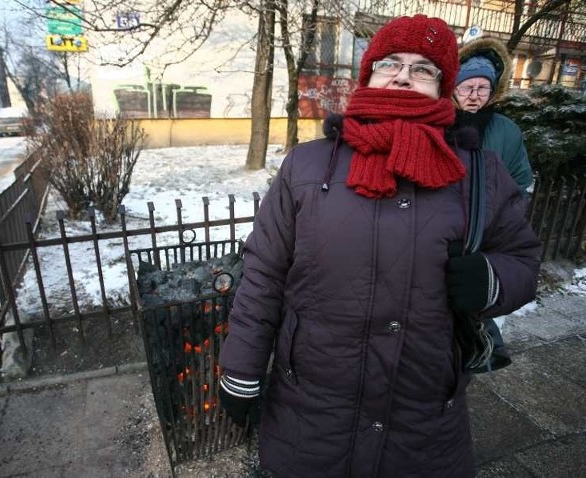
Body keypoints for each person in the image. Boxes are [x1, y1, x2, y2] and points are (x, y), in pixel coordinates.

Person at [219, 14, 541, 477]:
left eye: (424, 68)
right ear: (368, 73)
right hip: (312, 410)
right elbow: (265, 271)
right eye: (390, 62)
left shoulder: (478, 171)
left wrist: (491, 279)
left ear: (441, 87)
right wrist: (243, 367)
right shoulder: (308, 165)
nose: (405, 75)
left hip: (423, 416)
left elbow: (524, 261)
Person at [453, 36, 533, 196]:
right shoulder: (439, 123)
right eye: (467, 88)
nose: (474, 96)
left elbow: (521, 181)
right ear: (453, 90)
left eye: (483, 88)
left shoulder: (507, 130)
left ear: (493, 91)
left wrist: (507, 216)